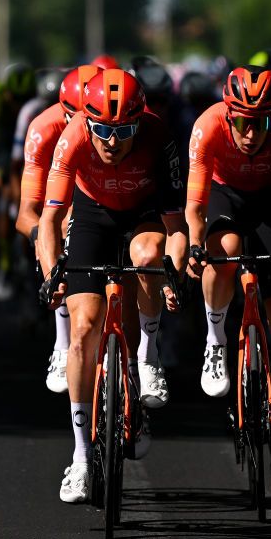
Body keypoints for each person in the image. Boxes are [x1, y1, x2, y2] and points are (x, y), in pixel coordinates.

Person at [38, 68, 187, 504]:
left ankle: (148, 355)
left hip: (142, 217)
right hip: (91, 218)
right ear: (87, 122)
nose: (111, 141)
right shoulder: (71, 138)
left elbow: (177, 227)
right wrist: (51, 274)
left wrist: (172, 273)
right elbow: (49, 219)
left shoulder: (160, 137)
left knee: (146, 258)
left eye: (123, 131)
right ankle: (82, 459)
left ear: (140, 122)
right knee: (84, 327)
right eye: (101, 129)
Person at [185, 65, 271, 487]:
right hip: (225, 197)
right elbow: (194, 207)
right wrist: (192, 245)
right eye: (242, 122)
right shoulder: (207, 126)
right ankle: (215, 339)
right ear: (228, 115)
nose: (250, 133)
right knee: (222, 252)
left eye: (260, 123)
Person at [15, 64, 99, 394]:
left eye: (90, 121)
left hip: (107, 193)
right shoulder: (42, 127)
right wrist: (42, 239)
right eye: (72, 118)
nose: (79, 128)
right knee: (61, 223)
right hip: (65, 202)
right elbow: (26, 213)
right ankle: (62, 344)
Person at [0, 63, 36, 301]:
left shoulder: (34, 109)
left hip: (28, 156)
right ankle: (3, 264)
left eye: (24, 98)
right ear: (6, 95)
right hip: (4, 156)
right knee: (1, 204)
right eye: (15, 99)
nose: (19, 104)